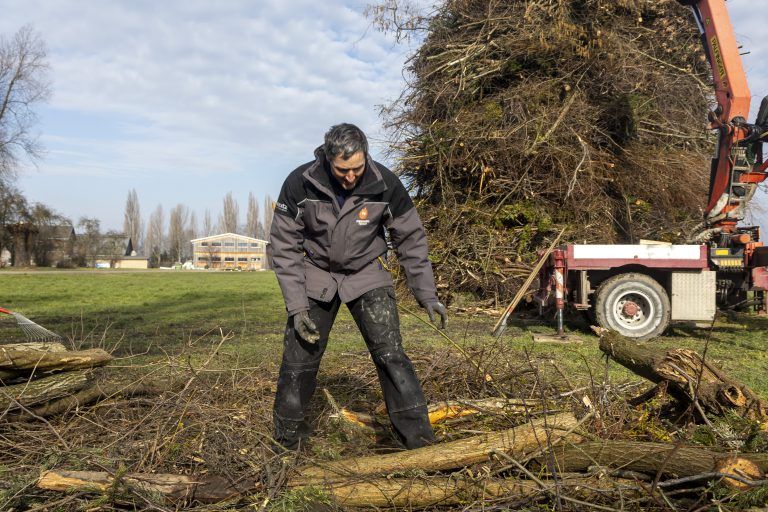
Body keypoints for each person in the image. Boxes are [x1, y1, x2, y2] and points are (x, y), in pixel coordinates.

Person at [269, 123, 447, 451]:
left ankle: (419, 442)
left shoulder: (385, 184)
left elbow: (410, 239)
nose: (351, 177)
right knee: (298, 359)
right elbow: (283, 247)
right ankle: (287, 443)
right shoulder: (299, 183)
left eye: (357, 168)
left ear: (366, 156)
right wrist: (297, 307)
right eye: (342, 170)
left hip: (367, 273)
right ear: (327, 158)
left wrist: (427, 294)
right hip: (317, 275)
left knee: (391, 354)